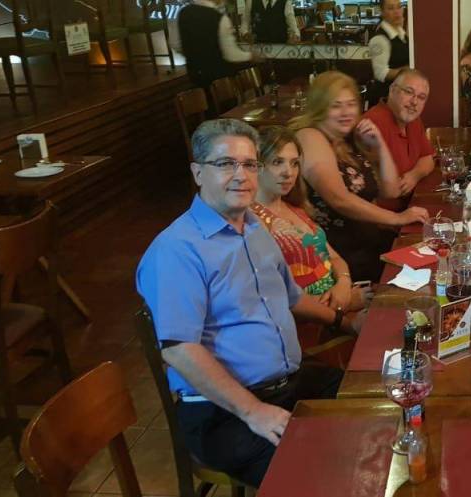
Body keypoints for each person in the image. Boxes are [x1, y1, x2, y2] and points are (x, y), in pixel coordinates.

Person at [136, 119, 344, 487]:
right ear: (198, 173)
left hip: (288, 385)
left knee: (375, 402)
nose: (241, 175)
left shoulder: (254, 227)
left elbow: (292, 297)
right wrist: (254, 412)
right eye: (225, 164)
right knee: (321, 481)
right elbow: (180, 349)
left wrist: (343, 321)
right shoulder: (176, 250)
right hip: (224, 412)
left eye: (249, 164)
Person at [290, 71, 429, 283]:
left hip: (370, 245)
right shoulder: (310, 137)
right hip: (340, 258)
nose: (346, 112)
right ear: (320, 107)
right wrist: (398, 218)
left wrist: (379, 145)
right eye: (336, 105)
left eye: (351, 104)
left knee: (438, 255)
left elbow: (391, 190)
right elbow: (339, 199)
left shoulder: (348, 139)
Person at [250, 126, 372, 365]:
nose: (288, 172)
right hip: (309, 330)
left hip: (338, 305)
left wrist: (343, 284)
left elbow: (334, 258)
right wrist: (344, 308)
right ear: (257, 166)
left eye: (294, 163)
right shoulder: (253, 221)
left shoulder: (295, 208)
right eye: (277, 162)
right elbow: (283, 300)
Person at [362, 69, 436, 210]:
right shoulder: (372, 124)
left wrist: (414, 175)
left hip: (411, 205)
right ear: (392, 90)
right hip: (385, 217)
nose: (414, 102)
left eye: (421, 97)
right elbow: (371, 192)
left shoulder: (413, 119)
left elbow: (428, 159)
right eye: (408, 92)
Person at [178, 0, 259, 89]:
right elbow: (231, 55)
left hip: (196, 79)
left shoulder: (183, 13)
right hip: (221, 83)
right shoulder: (220, 18)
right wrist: (251, 56)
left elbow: (176, 44)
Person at [367, 0, 410, 107]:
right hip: (385, 98)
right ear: (382, 12)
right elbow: (380, 73)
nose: (397, 12)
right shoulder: (379, 39)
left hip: (399, 96)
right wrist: (407, 70)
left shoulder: (400, 32)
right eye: (391, 8)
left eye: (399, 7)